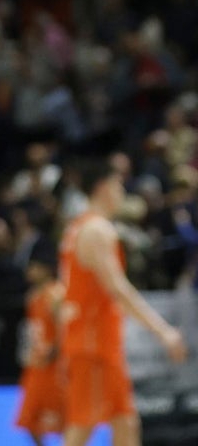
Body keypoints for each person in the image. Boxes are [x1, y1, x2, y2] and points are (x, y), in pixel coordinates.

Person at [58, 155, 189, 446]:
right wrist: (163, 331)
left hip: (96, 341)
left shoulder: (78, 226)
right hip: (92, 344)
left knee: (126, 424)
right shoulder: (97, 230)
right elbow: (118, 289)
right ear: (104, 186)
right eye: (119, 185)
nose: (122, 192)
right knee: (82, 427)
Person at [13, 241, 66, 446]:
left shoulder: (56, 294)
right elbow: (33, 330)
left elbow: (65, 329)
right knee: (29, 420)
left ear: (46, 269)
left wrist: (54, 353)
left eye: (33, 266)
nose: (29, 271)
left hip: (55, 366)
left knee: (64, 419)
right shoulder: (33, 296)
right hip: (36, 365)